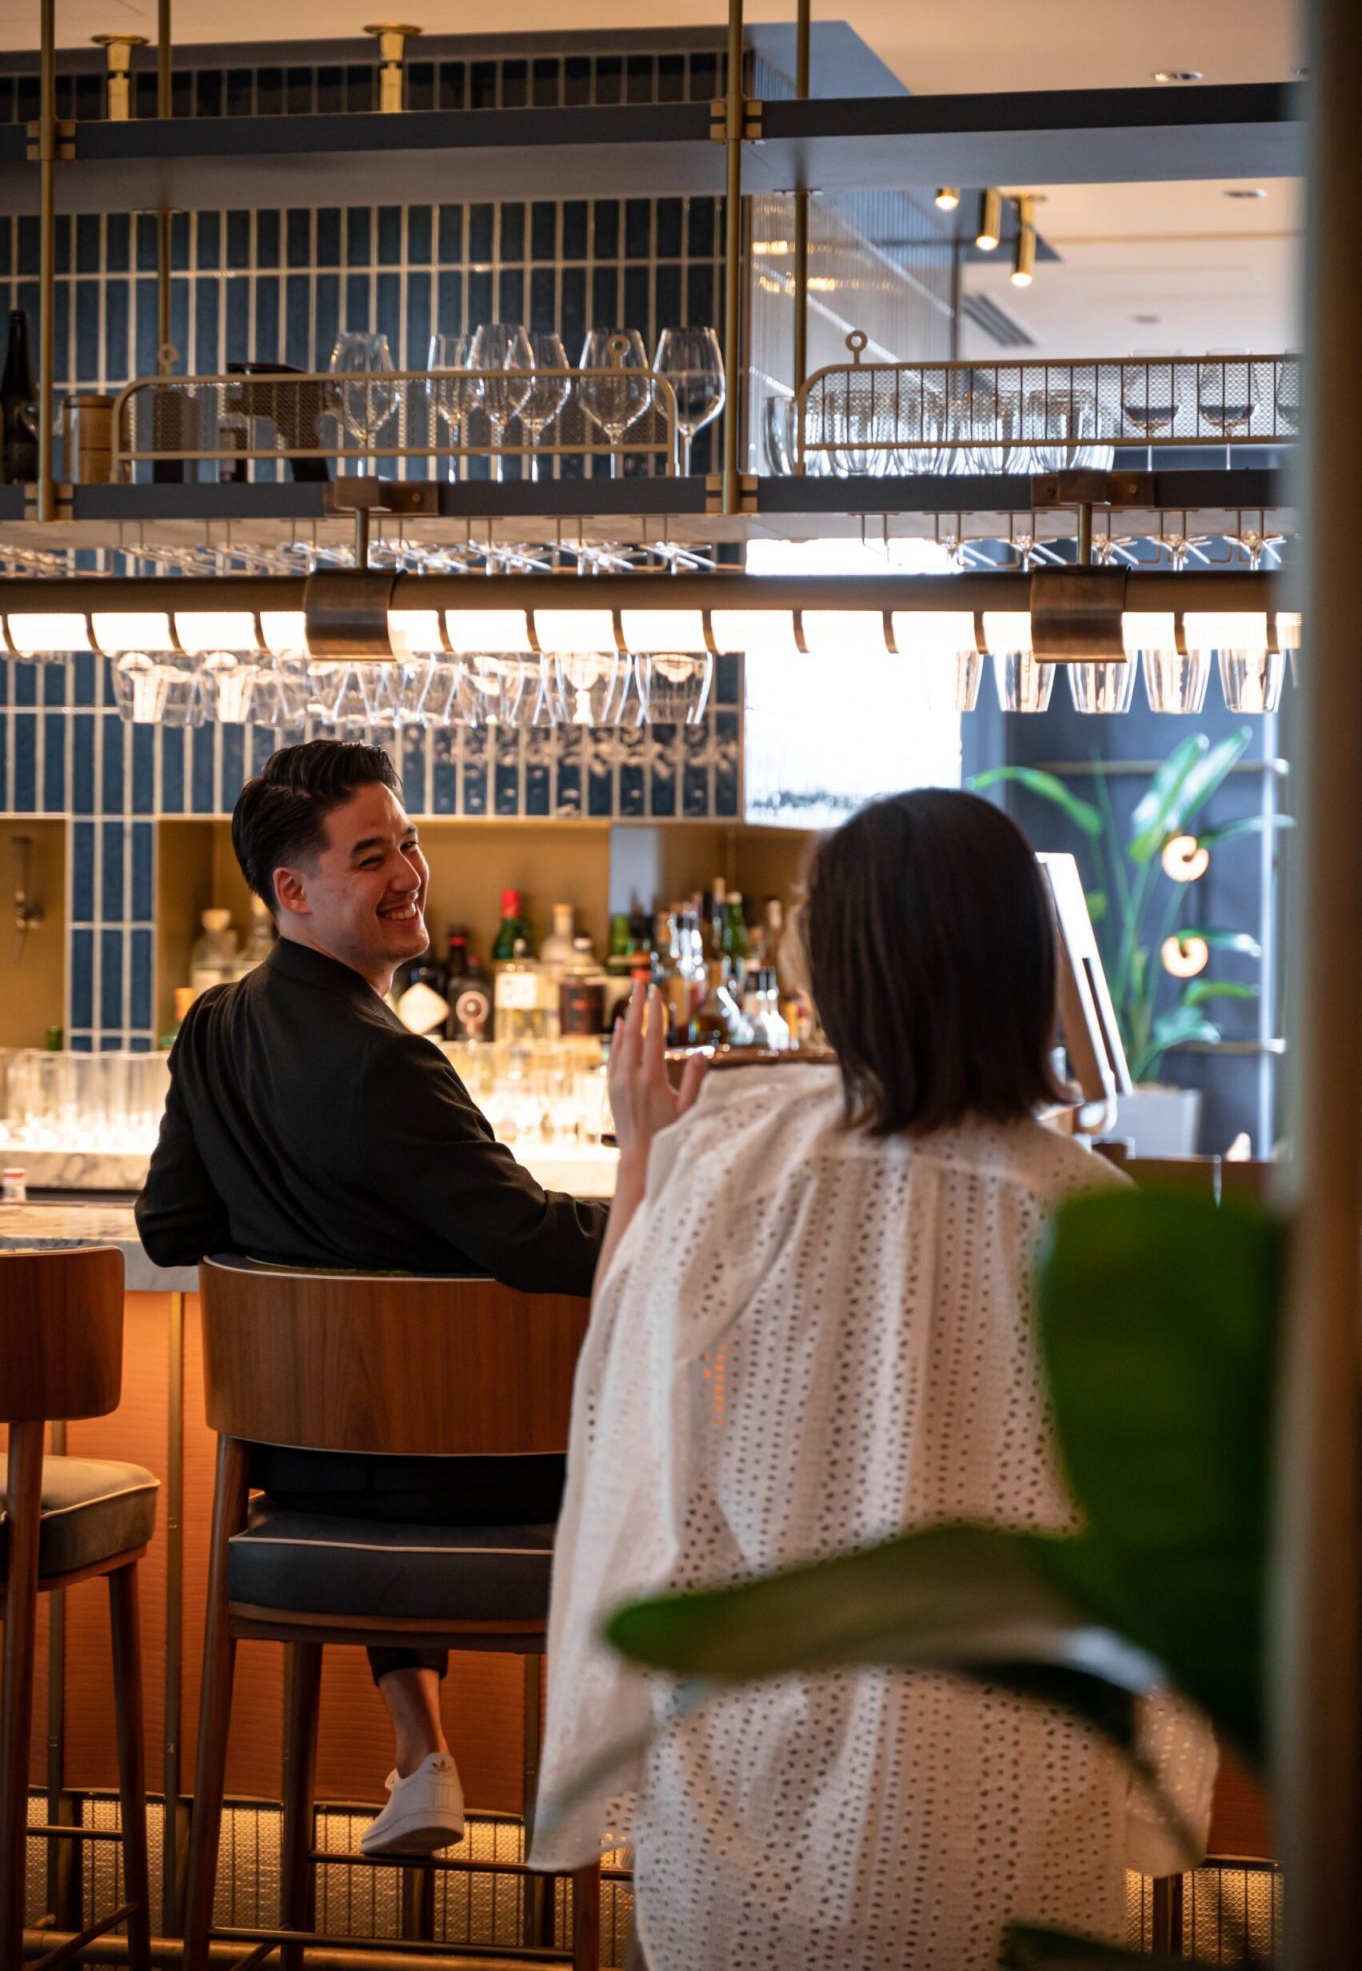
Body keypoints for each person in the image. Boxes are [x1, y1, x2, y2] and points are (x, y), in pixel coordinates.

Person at [530, 788, 1216, 1970]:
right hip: (1012, 1810)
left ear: (840, 964)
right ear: (1024, 965)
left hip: (741, 1784)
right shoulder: (1099, 1215)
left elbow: (629, 1439)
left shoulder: (739, 1164)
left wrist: (643, 1150)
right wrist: (1159, 1800)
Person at [137, 740, 607, 1858]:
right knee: (668, 1429)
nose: (409, 870)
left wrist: (304, 1234)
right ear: (293, 891)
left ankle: (422, 1753)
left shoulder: (213, 1026)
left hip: (302, 1468)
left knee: (387, 1407)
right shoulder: (387, 1059)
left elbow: (170, 1229)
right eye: (371, 854)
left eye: (408, 840)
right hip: (468, 1472)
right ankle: (671, 1822)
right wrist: (663, 1188)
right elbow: (535, 1241)